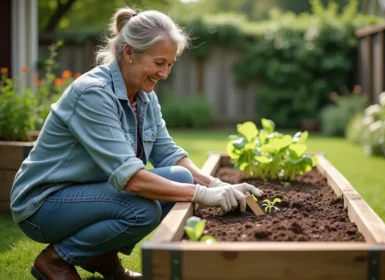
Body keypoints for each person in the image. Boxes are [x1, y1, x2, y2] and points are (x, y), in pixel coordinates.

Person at [10, 8, 263, 280]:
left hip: (85, 193)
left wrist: (215, 184)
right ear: (129, 53)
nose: (165, 73)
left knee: (178, 175)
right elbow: (131, 179)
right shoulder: (93, 94)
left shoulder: (143, 96)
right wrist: (200, 195)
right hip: (44, 204)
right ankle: (56, 260)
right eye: (159, 63)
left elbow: (169, 155)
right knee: (142, 208)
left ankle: (100, 254)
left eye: (170, 64)